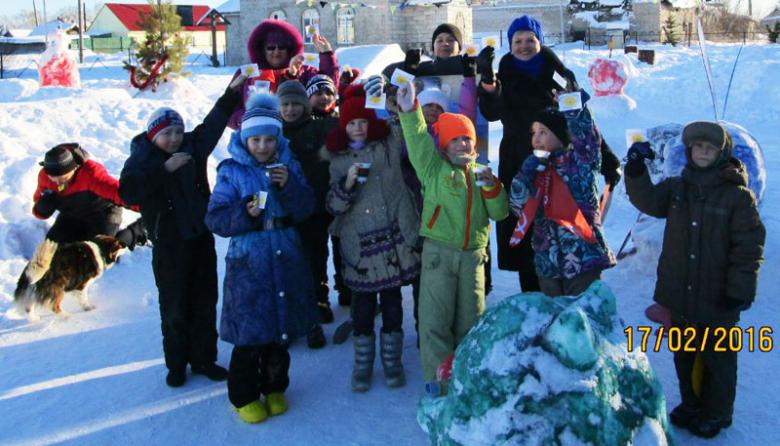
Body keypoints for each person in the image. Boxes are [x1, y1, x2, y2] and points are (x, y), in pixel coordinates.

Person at [624, 122, 765, 438]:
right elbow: (648, 200)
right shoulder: (677, 188)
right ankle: (691, 404)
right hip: (679, 295)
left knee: (718, 359)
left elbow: (749, 247)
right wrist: (635, 169)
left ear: (721, 153)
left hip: (718, 299)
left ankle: (716, 413)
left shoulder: (737, 197)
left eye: (710, 148)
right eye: (697, 146)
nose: (703, 152)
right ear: (688, 151)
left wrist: (739, 290)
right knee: (685, 353)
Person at [477, 15, 621, 292]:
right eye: (517, 41)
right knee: (526, 233)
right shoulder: (503, 74)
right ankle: (532, 297)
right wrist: (487, 82)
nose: (524, 46)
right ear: (510, 44)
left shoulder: (560, 74)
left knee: (564, 232)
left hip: (562, 167)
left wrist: (608, 159)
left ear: (540, 41)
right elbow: (492, 113)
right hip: (520, 161)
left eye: (530, 40)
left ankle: (574, 294)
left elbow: (582, 123)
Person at [119, 76, 246, 387]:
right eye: (167, 134)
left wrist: (231, 93)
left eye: (177, 131)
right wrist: (163, 171)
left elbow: (213, 125)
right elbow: (128, 192)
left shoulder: (192, 147)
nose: (174, 138)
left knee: (204, 302)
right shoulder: (142, 159)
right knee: (175, 307)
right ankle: (176, 364)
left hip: (200, 238)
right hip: (169, 245)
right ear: (153, 135)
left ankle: (204, 359)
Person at [204, 92, 318, 424]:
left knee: (279, 333)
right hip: (249, 261)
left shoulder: (289, 164)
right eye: (256, 139)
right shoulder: (231, 171)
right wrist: (245, 211)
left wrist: (289, 188)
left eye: (269, 139)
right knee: (251, 334)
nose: (263, 146)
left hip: (285, 254)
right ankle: (243, 395)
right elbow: (216, 219)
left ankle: (275, 387)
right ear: (244, 139)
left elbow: (306, 208)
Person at [395, 79, 509, 389]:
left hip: (473, 257)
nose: (462, 145)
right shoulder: (433, 169)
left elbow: (500, 213)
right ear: (443, 144)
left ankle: (468, 378)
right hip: (439, 255)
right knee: (436, 321)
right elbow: (418, 140)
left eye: (467, 140)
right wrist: (410, 110)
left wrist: (492, 188)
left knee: (470, 321)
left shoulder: (483, 174)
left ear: (475, 144)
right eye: (455, 140)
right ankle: (438, 382)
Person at [324, 84, 421, 392]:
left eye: (362, 122)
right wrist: (348, 184)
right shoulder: (337, 159)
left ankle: (392, 362)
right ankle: (362, 365)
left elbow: (402, 128)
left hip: (392, 246)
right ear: (344, 126)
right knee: (362, 311)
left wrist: (395, 102)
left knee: (393, 308)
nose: (357, 128)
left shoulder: (386, 146)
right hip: (361, 251)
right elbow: (333, 206)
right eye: (351, 123)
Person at [509, 103, 615, 296]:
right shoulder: (534, 171)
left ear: (560, 134)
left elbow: (588, 142)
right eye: (534, 133)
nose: (536, 138)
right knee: (557, 321)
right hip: (548, 264)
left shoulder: (578, 163)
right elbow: (518, 207)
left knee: (583, 319)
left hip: (583, 259)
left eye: (543, 132)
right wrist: (524, 176)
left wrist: (574, 110)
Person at [277, 79, 339, 330]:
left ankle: (325, 295)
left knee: (318, 252)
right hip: (292, 206)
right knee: (301, 256)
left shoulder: (317, 127)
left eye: (296, 104)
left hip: (320, 201)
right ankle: (307, 298)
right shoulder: (276, 133)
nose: (291, 109)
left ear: (304, 105)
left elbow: (340, 125)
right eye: (285, 105)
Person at [228, 20, 340, 128]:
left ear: (290, 49)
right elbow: (227, 109)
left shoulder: (304, 71)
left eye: (282, 47)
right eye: (271, 48)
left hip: (296, 138)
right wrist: (247, 119)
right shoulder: (247, 74)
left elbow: (328, 87)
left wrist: (327, 55)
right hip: (256, 141)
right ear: (262, 50)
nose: (276, 52)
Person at [32, 143, 145, 248]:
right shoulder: (44, 177)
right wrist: (42, 207)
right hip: (71, 216)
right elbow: (39, 210)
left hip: (102, 214)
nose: (57, 182)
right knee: (51, 249)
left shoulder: (91, 173)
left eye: (63, 178)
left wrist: (150, 209)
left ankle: (138, 230)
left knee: (102, 252)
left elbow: (120, 194)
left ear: (74, 168)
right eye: (52, 177)